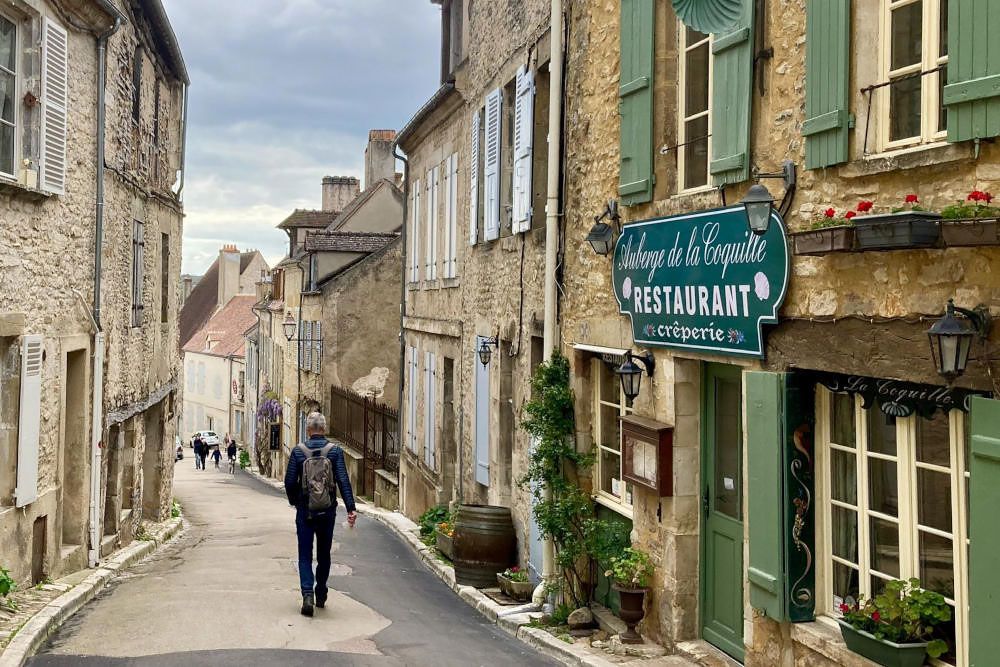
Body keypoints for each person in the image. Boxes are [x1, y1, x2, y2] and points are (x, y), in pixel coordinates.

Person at [284, 412, 356, 617]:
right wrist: (351, 508)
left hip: (305, 512)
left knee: (305, 555)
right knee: (324, 554)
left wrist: (295, 501)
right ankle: (321, 592)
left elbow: (289, 482)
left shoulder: (298, 452)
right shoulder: (334, 452)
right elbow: (343, 480)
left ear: (308, 429)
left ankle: (307, 594)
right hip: (327, 511)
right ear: (323, 429)